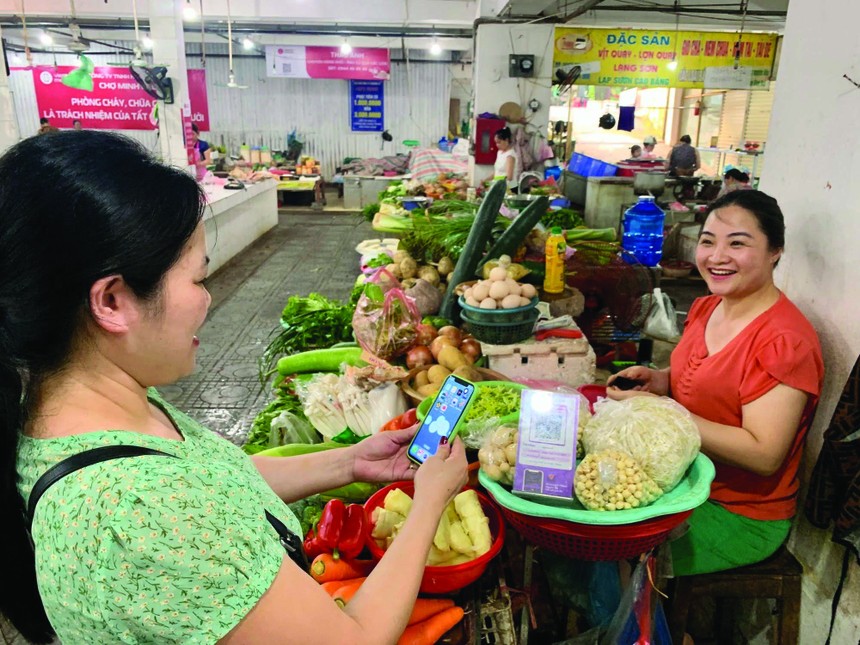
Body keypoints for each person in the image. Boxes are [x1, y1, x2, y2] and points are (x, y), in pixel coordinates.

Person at [0, 131, 469, 644]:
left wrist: (351, 462)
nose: (208, 299)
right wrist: (428, 503)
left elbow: (219, 480)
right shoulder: (138, 509)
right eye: (198, 279)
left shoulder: (78, 404)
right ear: (111, 302)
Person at [607, 189, 824, 576]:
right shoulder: (708, 307)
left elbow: (764, 454)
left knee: (605, 554)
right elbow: (711, 383)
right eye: (708, 242)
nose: (716, 257)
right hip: (684, 480)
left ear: (775, 251)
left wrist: (663, 413)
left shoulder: (783, 342)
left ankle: (648, 635)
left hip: (738, 512)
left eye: (737, 244)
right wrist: (660, 382)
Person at [489, 126, 521, 192]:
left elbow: (509, 177)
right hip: (499, 185)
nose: (497, 145)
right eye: (496, 143)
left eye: (499, 142)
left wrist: (494, 181)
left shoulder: (510, 155)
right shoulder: (499, 153)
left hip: (510, 187)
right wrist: (486, 180)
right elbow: (497, 172)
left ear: (506, 140)